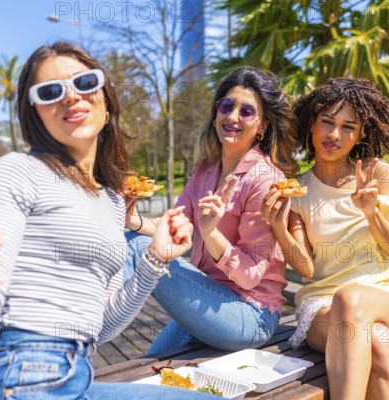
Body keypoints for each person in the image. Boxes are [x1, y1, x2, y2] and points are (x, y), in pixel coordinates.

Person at [0, 42, 219, 400]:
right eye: (50, 92)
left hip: (75, 375)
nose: (70, 96)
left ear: (106, 99)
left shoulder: (111, 199)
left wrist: (154, 261)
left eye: (84, 82)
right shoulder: (20, 171)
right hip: (20, 375)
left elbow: (103, 325)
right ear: (36, 114)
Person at [261, 78, 389, 399]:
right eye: (327, 121)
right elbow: (308, 270)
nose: (335, 134)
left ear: (359, 135)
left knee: (352, 297)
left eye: (348, 126)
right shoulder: (295, 188)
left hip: (381, 298)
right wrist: (279, 227)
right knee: (379, 343)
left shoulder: (375, 172)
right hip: (321, 308)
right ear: (311, 123)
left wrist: (371, 211)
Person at [123, 67, 300, 355]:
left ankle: (86, 328)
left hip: (249, 315)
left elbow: (252, 275)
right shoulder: (205, 170)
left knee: (138, 247)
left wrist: (210, 232)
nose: (232, 117)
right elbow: (174, 227)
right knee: (149, 367)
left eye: (246, 112)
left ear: (263, 125)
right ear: (216, 112)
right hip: (207, 298)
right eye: (226, 106)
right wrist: (133, 219)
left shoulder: (266, 180)